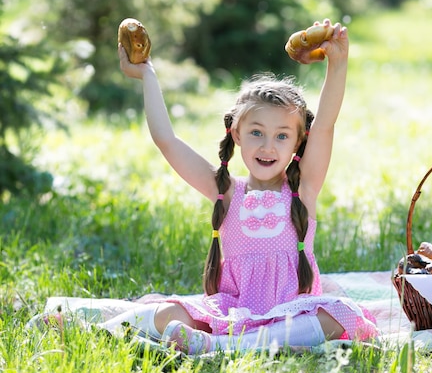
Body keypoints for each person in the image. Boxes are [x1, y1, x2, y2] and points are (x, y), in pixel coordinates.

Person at [97, 18, 379, 354]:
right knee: (166, 312)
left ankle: (221, 348)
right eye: (256, 132)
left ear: (298, 141)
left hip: (290, 313)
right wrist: (147, 75)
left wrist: (338, 61)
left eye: (282, 136)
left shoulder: (303, 190)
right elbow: (167, 140)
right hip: (233, 310)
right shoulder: (227, 192)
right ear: (236, 134)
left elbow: (326, 124)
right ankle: (93, 328)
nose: (267, 147)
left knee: (340, 314)